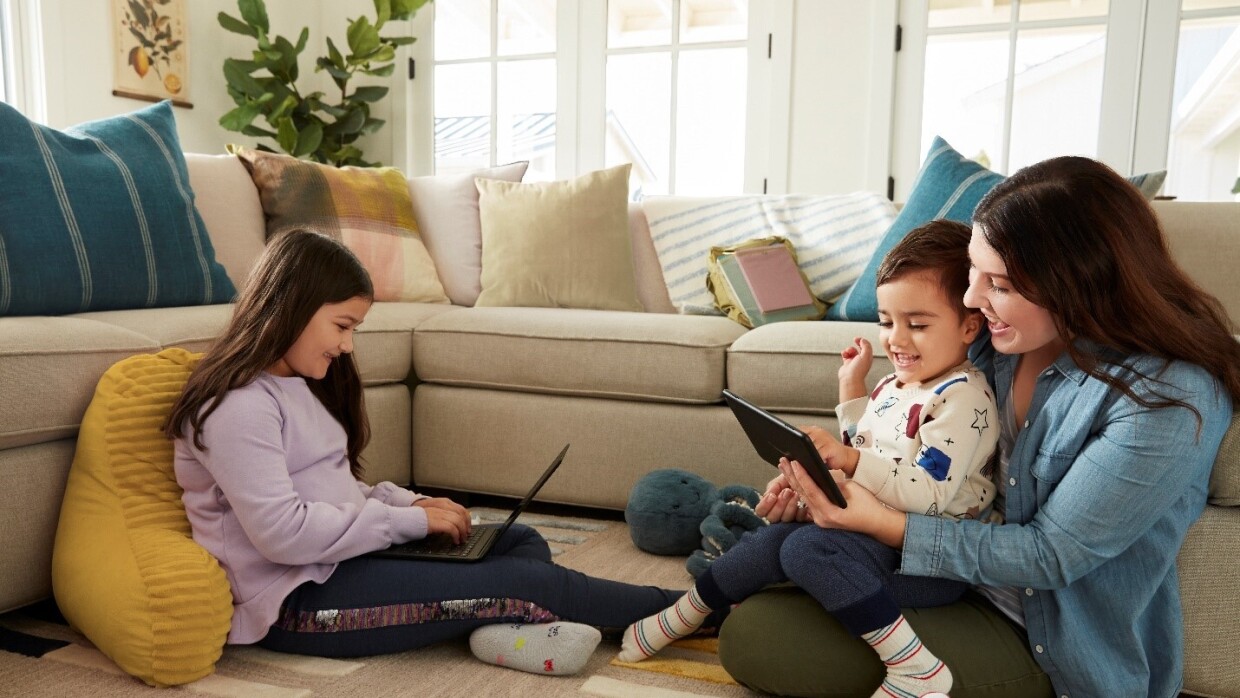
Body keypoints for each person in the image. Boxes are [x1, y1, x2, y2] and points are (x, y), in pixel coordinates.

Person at [761, 156, 1239, 698]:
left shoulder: (1166, 399)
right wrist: (833, 489)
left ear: (1082, 283)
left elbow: (1050, 556)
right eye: (973, 270)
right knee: (778, 560)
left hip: (1047, 639)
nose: (970, 299)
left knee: (762, 635)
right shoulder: (995, 340)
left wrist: (882, 523)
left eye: (1001, 284)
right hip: (953, 580)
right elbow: (916, 442)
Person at [163, 229, 692, 675]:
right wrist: (405, 524)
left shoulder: (296, 385)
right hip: (296, 603)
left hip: (340, 564)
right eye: (342, 326)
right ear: (291, 308)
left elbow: (336, 489)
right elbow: (283, 533)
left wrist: (410, 504)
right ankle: (688, 610)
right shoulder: (236, 406)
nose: (347, 345)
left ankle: (501, 634)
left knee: (517, 541)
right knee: (525, 579)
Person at [619, 220, 999, 698]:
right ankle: (687, 615)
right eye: (886, 322)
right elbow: (865, 451)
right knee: (774, 539)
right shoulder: (895, 384)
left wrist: (848, 462)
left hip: (929, 560)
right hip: (879, 536)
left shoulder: (964, 399)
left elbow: (929, 493)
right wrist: (849, 392)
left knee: (805, 550)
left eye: (917, 325)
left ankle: (915, 667)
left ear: (969, 323)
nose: (897, 339)